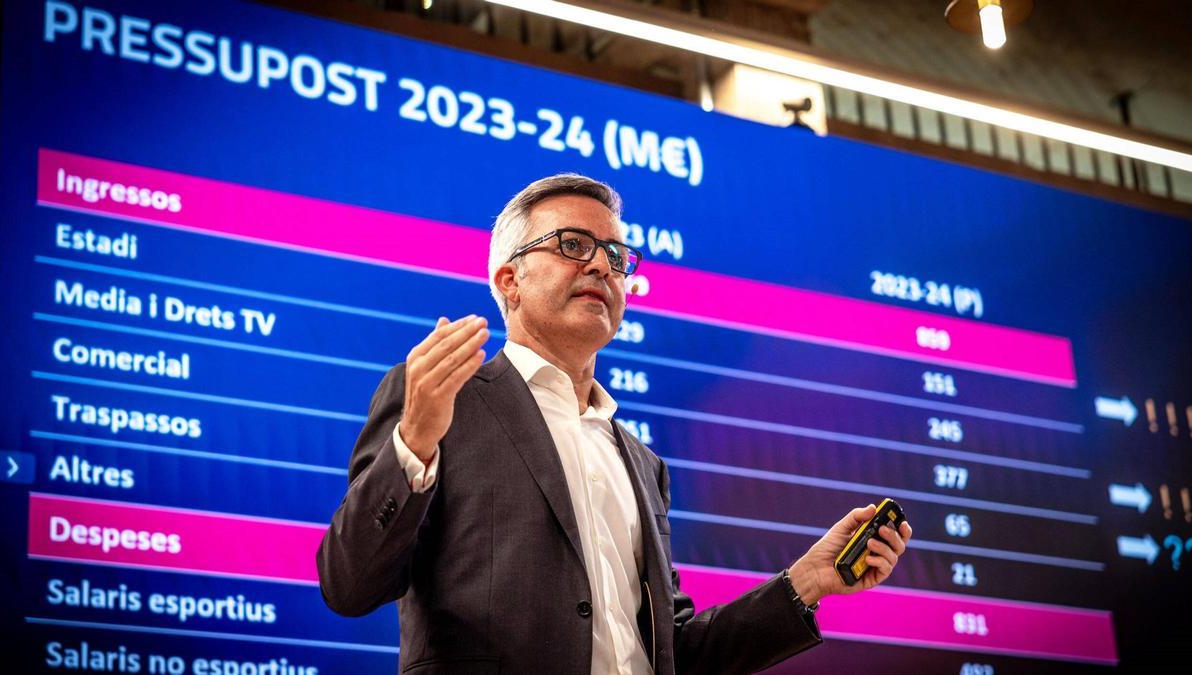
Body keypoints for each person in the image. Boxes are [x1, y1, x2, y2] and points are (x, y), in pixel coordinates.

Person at [317, 174, 912, 674]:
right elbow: (349, 586)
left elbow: (671, 652)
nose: (602, 264)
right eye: (573, 244)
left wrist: (806, 581)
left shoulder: (641, 462)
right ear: (509, 281)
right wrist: (415, 441)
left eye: (616, 255)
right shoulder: (441, 400)